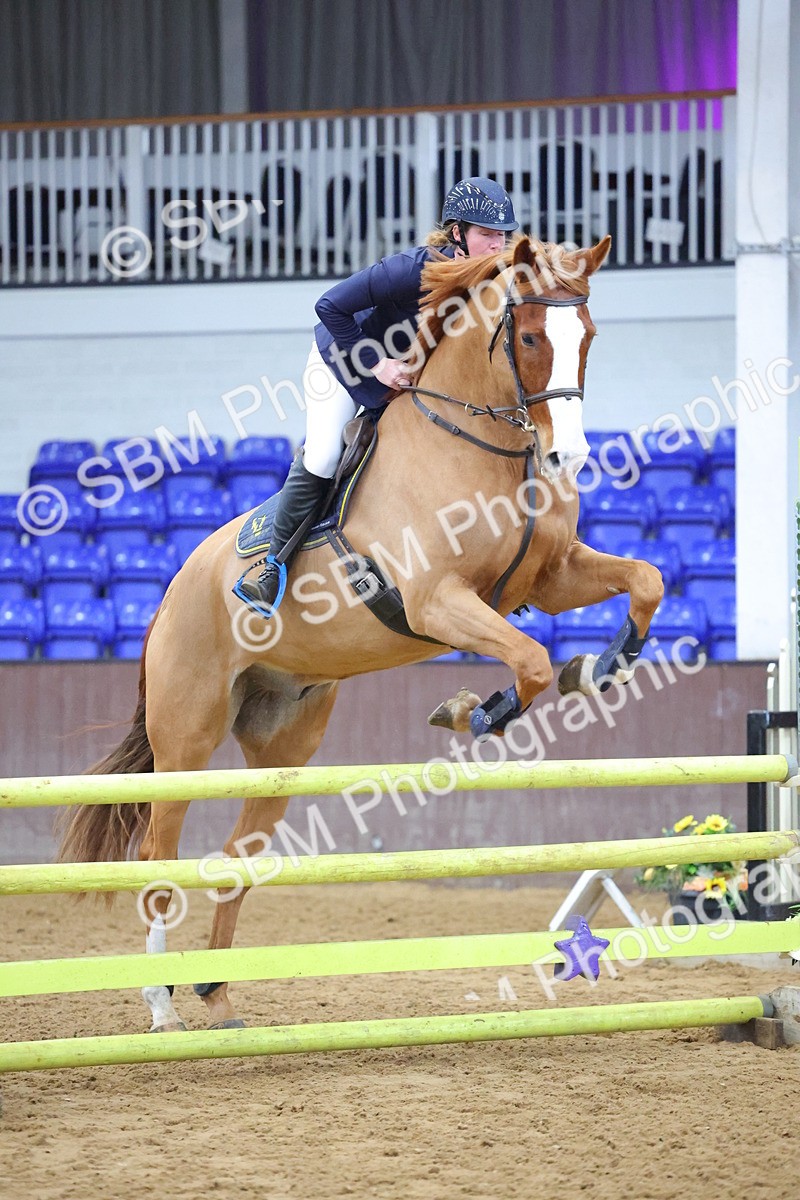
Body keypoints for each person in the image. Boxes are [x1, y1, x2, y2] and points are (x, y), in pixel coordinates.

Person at [237, 177, 518, 611]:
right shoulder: (408, 270)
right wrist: (377, 363)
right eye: (486, 235)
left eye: (502, 235)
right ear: (457, 233)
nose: (497, 246)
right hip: (345, 361)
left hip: (405, 379)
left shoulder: (493, 283)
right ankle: (271, 566)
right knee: (326, 455)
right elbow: (329, 306)